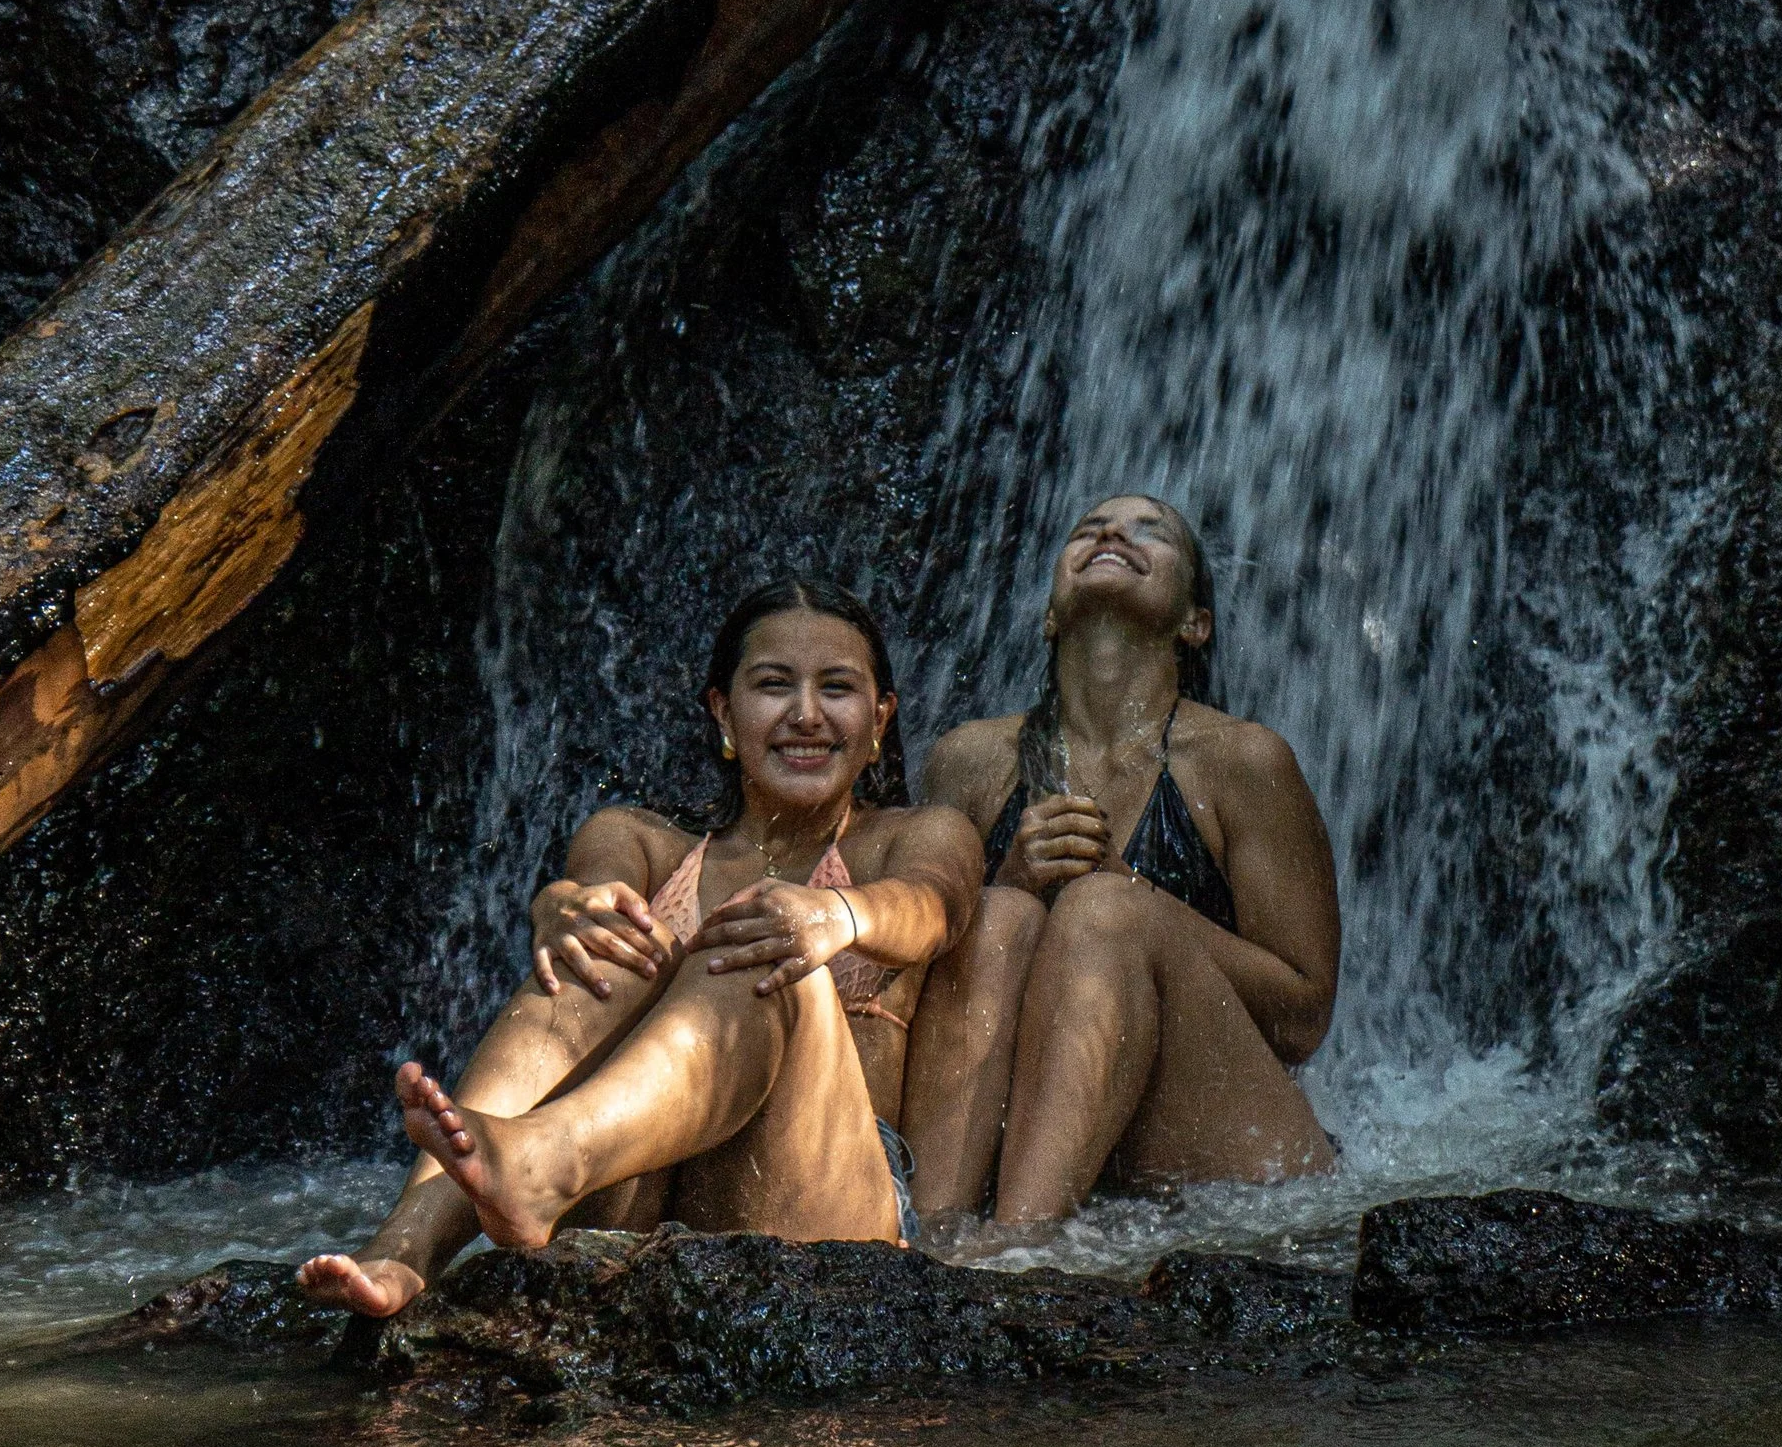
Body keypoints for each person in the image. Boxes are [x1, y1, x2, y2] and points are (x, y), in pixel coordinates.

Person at [296, 580, 982, 1313]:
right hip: (634, 1201)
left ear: (881, 718)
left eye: (837, 688)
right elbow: (595, 893)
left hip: (816, 1198)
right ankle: (404, 1251)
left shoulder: (918, 835)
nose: (806, 715)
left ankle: (545, 1159)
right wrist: (564, 908)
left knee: (761, 945)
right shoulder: (638, 838)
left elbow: (935, 904)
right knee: (614, 944)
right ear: (723, 711)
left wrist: (834, 917)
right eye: (774, 686)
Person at [907, 492, 1339, 1226]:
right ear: (1049, 615)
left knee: (1103, 911)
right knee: (1000, 913)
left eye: (1152, 532)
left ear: (1194, 623)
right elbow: (916, 988)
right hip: (1029, 1141)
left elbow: (1302, 1019)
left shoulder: (1243, 761)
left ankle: (1018, 1252)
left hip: (1220, 1147)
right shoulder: (969, 762)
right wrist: (1007, 882)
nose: (1113, 534)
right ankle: (934, 1241)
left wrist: (1133, 902)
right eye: (1090, 529)